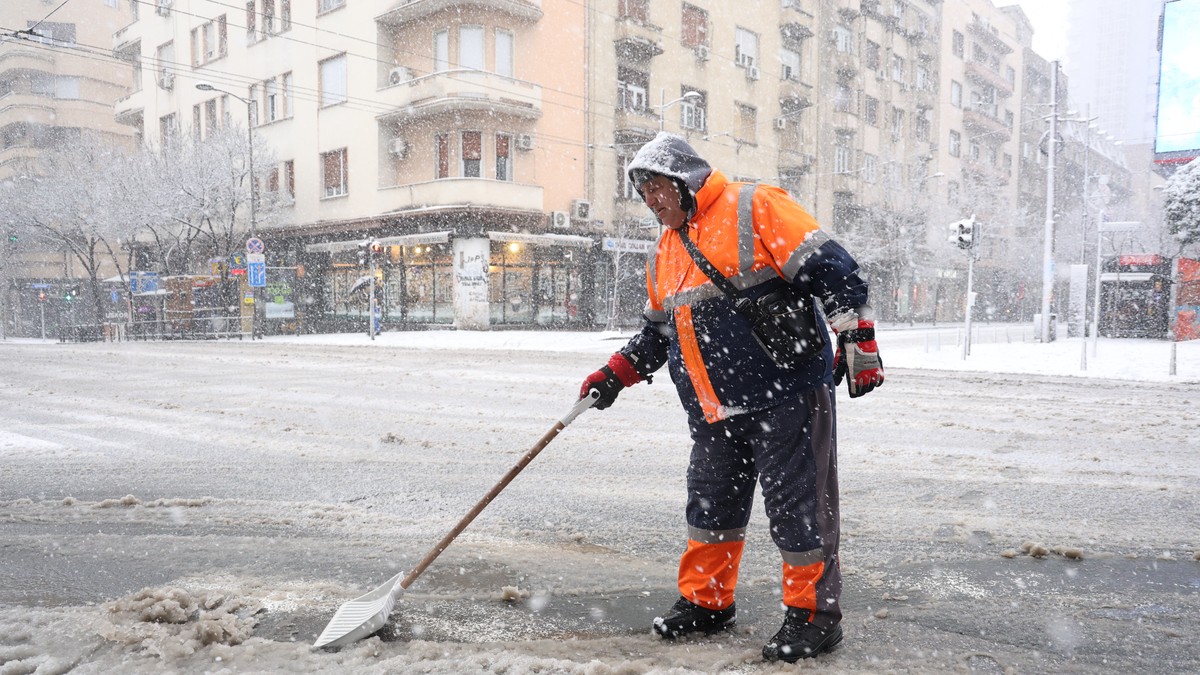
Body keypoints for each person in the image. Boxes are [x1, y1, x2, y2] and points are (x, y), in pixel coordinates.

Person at [579, 132, 883, 663]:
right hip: (712, 407)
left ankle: (814, 616)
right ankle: (708, 603)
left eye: (655, 188)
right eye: (642, 192)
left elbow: (832, 267)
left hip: (784, 393)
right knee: (710, 508)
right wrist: (615, 373)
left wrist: (857, 338)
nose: (651, 201)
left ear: (683, 180)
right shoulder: (666, 250)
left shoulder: (754, 205)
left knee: (798, 510)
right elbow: (658, 332)